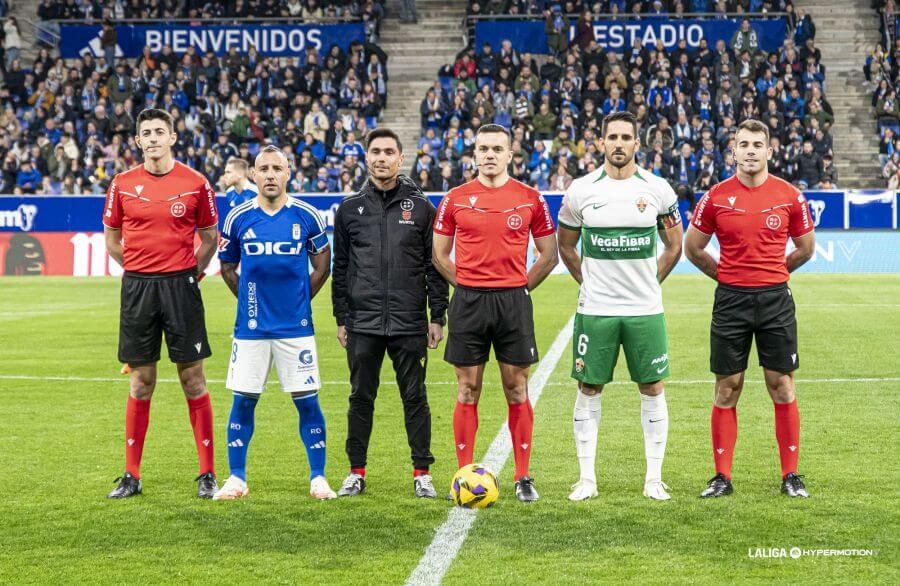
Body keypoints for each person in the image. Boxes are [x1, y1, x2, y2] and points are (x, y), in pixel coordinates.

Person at [684, 119, 816, 499]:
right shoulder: (716, 196)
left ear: (770, 151)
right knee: (727, 387)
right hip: (731, 301)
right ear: (734, 151)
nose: (751, 150)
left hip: (775, 301)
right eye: (744, 144)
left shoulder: (790, 196)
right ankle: (722, 477)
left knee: (782, 385)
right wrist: (726, 276)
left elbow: (806, 248)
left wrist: (774, 274)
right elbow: (693, 249)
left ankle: (790, 475)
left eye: (758, 144)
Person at [557, 111, 683, 502]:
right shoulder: (580, 190)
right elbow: (565, 246)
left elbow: (674, 245)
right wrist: (588, 282)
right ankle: (586, 479)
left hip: (645, 309)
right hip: (596, 309)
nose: (618, 144)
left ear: (636, 144)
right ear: (601, 143)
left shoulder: (658, 189)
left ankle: (654, 479)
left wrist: (650, 281)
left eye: (625, 137)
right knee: (589, 386)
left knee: (652, 385)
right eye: (612, 137)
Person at [432, 124, 559, 502]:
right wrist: (468, 284)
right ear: (474, 154)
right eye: (483, 148)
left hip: (512, 303)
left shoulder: (530, 198)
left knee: (516, 387)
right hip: (469, 302)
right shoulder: (455, 198)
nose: (489, 154)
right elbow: (439, 255)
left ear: (509, 154)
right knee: (467, 388)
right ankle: (464, 475)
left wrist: (519, 287)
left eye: (496, 149)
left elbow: (548, 255)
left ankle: (523, 477)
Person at [103, 108, 219, 499]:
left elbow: (209, 238)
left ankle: (207, 474)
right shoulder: (121, 184)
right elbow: (112, 241)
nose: (152, 138)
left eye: (159, 132)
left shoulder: (196, 183)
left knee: (193, 379)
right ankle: (131, 476)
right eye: (146, 133)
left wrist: (191, 274)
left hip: (181, 287)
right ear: (137, 141)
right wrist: (139, 269)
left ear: (173, 137)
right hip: (138, 289)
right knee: (141, 381)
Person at [213, 146, 336, 501]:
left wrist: (297, 301)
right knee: (244, 402)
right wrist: (251, 303)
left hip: (295, 330)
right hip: (250, 330)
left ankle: (318, 477)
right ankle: (236, 477)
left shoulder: (308, 216)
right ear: (253, 174)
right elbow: (226, 267)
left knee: (307, 402)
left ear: (288, 173)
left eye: (276, 169)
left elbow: (322, 266)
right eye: (263, 168)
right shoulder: (238, 217)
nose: (269, 175)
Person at [331, 128, 449, 499]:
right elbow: (342, 267)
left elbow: (435, 266)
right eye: (375, 152)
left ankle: (421, 473)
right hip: (362, 321)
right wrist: (341, 318)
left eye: (388, 152)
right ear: (366, 157)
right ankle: (356, 471)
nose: (381, 158)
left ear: (401, 159)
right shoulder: (350, 209)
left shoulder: (422, 208)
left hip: (409, 320)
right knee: (360, 397)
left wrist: (437, 316)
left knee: (415, 397)